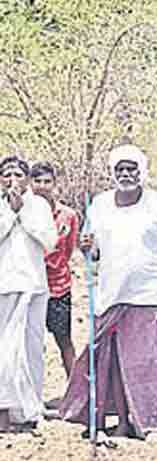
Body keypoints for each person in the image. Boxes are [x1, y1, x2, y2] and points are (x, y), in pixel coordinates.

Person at [61, 145, 157, 440]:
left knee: (146, 364)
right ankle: (107, 422)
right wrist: (86, 247)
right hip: (110, 295)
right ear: (112, 173)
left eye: (131, 169)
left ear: (142, 171)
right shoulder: (99, 205)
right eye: (120, 170)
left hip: (148, 296)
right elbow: (93, 252)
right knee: (104, 360)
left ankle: (148, 425)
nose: (126, 174)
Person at [0, 157, 56, 433]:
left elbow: (49, 240)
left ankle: (30, 410)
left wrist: (22, 211)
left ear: (26, 178)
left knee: (32, 349)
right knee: (7, 350)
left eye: (18, 174)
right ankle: (4, 410)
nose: (13, 179)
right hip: (5, 285)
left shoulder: (40, 206)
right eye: (7, 174)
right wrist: (10, 212)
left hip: (34, 285)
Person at [30, 162, 79, 383]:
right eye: (37, 181)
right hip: (30, 286)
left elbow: (67, 251)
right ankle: (31, 395)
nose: (42, 186)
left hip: (58, 287)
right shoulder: (23, 213)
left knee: (64, 340)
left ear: (54, 183)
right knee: (31, 343)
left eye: (47, 181)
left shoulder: (67, 216)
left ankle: (78, 392)